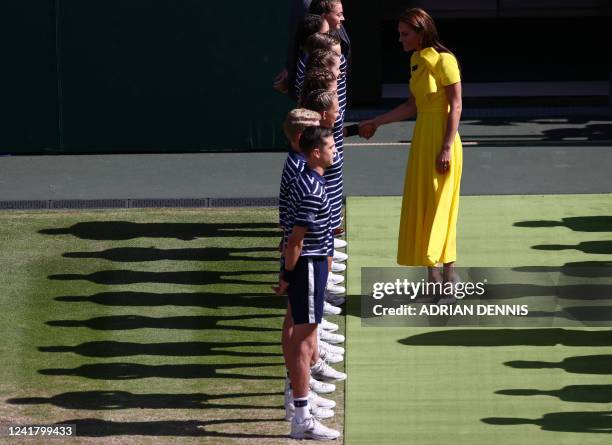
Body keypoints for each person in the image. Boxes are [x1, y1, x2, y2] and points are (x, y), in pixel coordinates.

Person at [359, 8, 462, 286]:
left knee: (443, 204)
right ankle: (432, 275)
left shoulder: (445, 60)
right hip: (422, 139)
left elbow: (456, 105)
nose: (400, 39)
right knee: (423, 203)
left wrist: (446, 147)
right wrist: (377, 122)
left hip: (443, 138)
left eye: (405, 34)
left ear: (421, 32)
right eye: (399, 34)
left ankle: (449, 276)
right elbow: (412, 105)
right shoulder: (416, 60)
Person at [276, 126, 341, 440]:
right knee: (304, 341)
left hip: (306, 268)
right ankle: (301, 417)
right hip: (309, 268)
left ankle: (298, 407)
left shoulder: (309, 180)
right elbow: (296, 241)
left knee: (300, 335)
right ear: (316, 152)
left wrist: (287, 274)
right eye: (330, 146)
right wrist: (288, 276)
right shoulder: (313, 188)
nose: (335, 151)